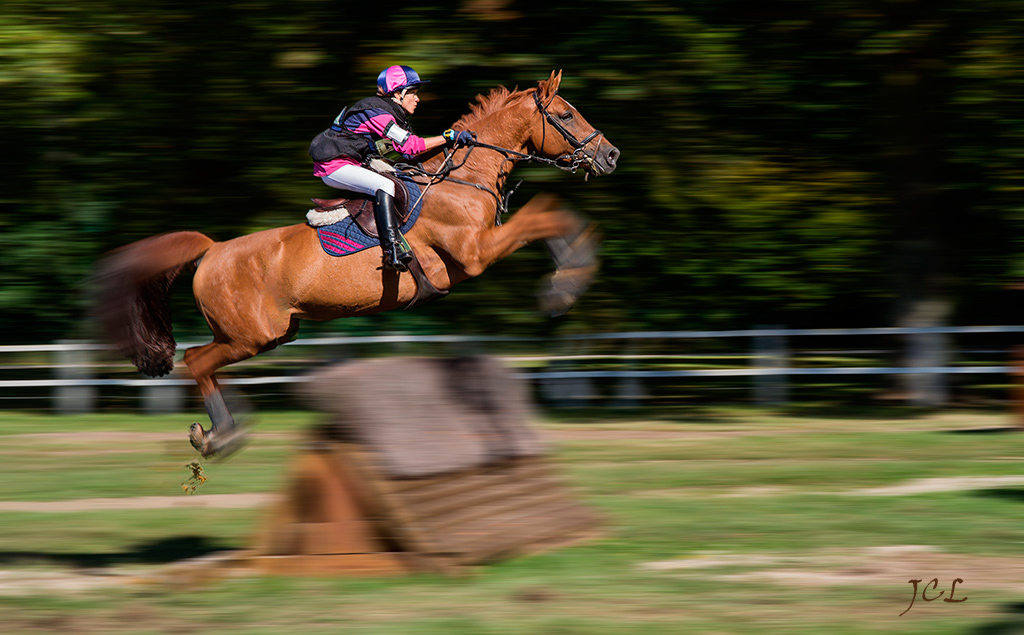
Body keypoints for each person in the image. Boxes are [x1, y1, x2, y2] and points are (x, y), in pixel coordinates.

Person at [309, 65, 475, 271]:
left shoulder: (393, 114)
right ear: (398, 93)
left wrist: (449, 143)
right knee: (385, 185)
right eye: (412, 93)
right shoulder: (377, 113)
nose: (417, 99)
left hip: (351, 162)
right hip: (334, 166)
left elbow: (409, 153)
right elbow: (411, 145)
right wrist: (447, 137)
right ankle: (392, 250)